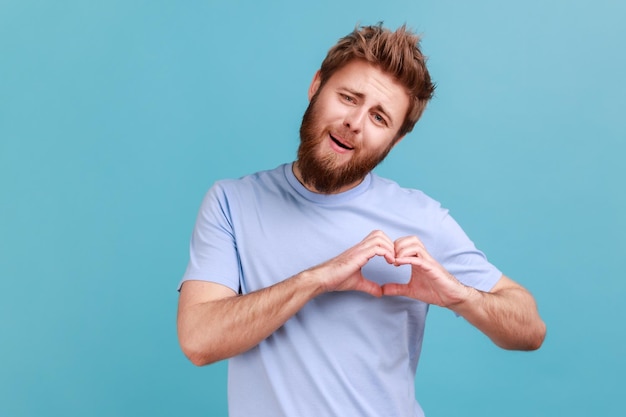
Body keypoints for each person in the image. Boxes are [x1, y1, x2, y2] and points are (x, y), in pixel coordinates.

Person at [177, 23, 546, 417]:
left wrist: (457, 294)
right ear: (316, 85)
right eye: (349, 97)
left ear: (396, 139)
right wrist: (317, 278)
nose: (355, 122)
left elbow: (529, 328)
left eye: (380, 118)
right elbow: (199, 340)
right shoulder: (232, 203)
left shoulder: (419, 218)